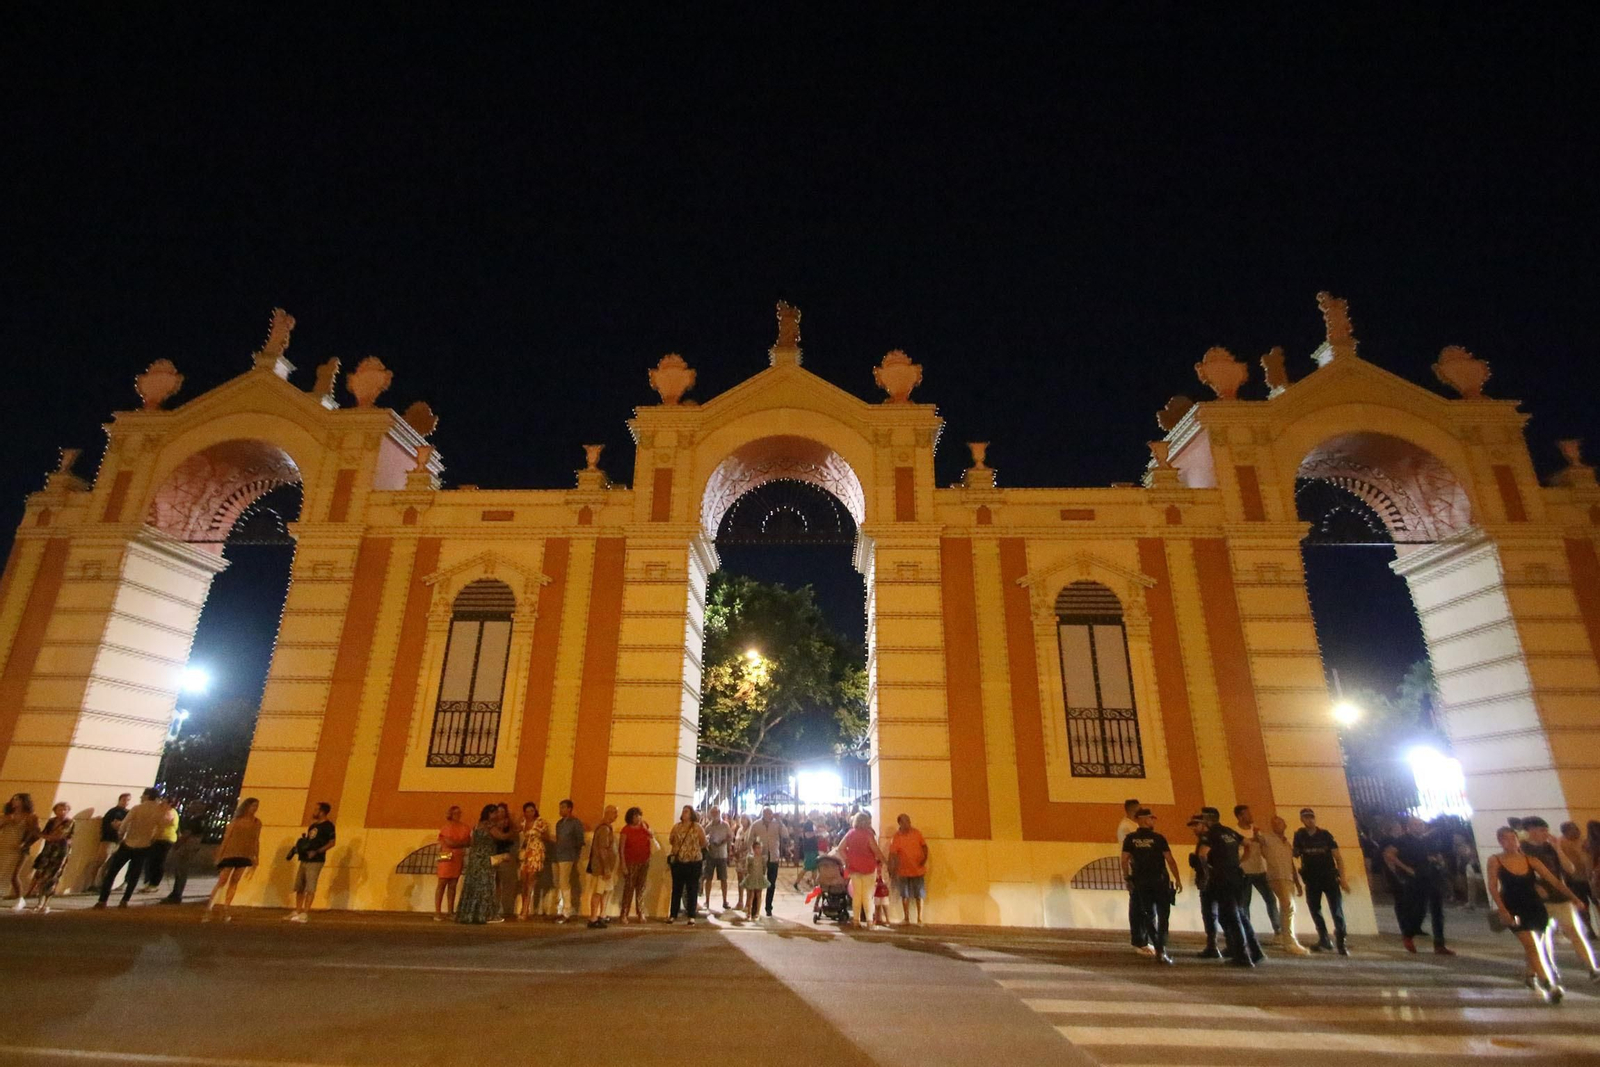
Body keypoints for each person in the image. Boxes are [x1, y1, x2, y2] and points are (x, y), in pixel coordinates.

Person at [1487, 825, 1584, 1004]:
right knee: (1532, 945)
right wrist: (1502, 910)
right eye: (1506, 839)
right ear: (1500, 841)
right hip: (1513, 906)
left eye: (1513, 838)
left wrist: (1574, 898)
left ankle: (1530, 975)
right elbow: (1493, 886)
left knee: (1536, 945)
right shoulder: (1495, 860)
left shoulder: (1530, 860)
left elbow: (1553, 880)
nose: (1511, 842)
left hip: (1535, 907)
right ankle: (1548, 984)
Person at [1521, 817, 1598, 979]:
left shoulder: (1551, 848)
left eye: (1546, 830)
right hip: (1537, 902)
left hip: (1560, 897)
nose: (1546, 834)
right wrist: (1534, 886)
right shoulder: (1522, 850)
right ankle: (1537, 971)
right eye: (1542, 830)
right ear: (1531, 831)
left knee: (1575, 933)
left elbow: (1569, 869)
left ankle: (1592, 968)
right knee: (1541, 937)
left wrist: (1558, 848)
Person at [1195, 806, 1261, 967]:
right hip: (1237, 877)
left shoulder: (1210, 835)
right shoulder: (1229, 832)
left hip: (1222, 879)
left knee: (1231, 917)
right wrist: (1238, 861)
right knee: (1240, 914)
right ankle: (1256, 951)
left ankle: (1242, 956)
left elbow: (1202, 854)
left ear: (1208, 820)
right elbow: (1248, 844)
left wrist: (1206, 872)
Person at [1385, 815, 1453, 955]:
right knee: (1418, 910)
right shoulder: (1402, 840)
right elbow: (1389, 855)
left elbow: (1433, 854)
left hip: (1432, 877)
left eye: (1421, 824)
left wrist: (1437, 860)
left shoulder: (1427, 840)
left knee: (1437, 911)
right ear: (1409, 826)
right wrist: (1405, 868)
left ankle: (1439, 944)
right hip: (1416, 879)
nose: (1419, 827)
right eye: (1416, 824)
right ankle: (1408, 934)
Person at [1121, 807, 1181, 964]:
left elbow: (1124, 860)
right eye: (1151, 818)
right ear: (1142, 820)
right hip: (1160, 881)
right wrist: (1177, 878)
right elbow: (1170, 860)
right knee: (1163, 916)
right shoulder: (1159, 838)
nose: (1153, 821)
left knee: (1148, 915)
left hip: (1141, 882)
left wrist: (1127, 878)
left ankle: (1157, 946)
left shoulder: (1130, 839)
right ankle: (1162, 948)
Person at [95, 788, 167, 909]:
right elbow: (161, 828)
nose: (141, 797)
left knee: (112, 872)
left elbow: (125, 824)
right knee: (134, 874)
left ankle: (103, 900)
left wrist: (121, 834)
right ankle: (125, 900)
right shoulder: (160, 811)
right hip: (145, 846)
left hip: (128, 843)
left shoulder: (137, 808)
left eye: (143, 795)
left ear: (147, 796)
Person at [1293, 808, 1350, 955]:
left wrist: (1343, 879)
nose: (1309, 820)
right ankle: (1324, 939)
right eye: (1306, 818)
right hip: (1311, 879)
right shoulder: (1299, 835)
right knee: (1314, 908)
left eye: (1311, 817)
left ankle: (1341, 941)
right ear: (1302, 820)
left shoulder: (1325, 835)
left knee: (1336, 910)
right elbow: (1295, 853)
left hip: (1329, 877)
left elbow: (1338, 857)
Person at [1258, 814, 1309, 955]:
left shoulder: (1286, 843)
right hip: (1276, 876)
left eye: (1279, 822)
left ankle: (1284, 936)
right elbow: (1256, 840)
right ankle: (1289, 942)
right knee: (1288, 906)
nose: (1276, 825)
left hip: (1288, 877)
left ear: (1285, 825)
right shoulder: (1267, 838)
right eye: (1274, 823)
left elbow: (1290, 863)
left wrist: (1297, 882)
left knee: (1288, 908)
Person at [205, 797, 261, 921]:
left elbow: (256, 840)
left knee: (235, 881)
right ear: (247, 807)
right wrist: (220, 854)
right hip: (230, 853)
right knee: (222, 880)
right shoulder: (236, 821)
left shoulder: (257, 822)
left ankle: (226, 908)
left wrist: (256, 856)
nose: (255, 809)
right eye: (253, 806)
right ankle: (209, 907)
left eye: (256, 806)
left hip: (245, 854)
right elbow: (227, 838)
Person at [285, 802, 335, 922]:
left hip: (316, 860)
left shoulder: (328, 826)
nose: (314, 811)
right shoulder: (312, 826)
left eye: (316, 809)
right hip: (305, 859)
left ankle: (305, 913)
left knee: (310, 887)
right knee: (300, 886)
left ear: (322, 812)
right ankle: (297, 910)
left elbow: (332, 842)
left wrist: (317, 851)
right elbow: (309, 840)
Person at [1235, 805, 1281, 936]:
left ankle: (1278, 928)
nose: (1251, 816)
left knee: (1270, 899)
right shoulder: (1235, 831)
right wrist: (1252, 839)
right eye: (1247, 814)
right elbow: (1237, 845)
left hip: (1260, 870)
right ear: (1240, 816)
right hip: (1245, 871)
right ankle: (1247, 931)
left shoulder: (1256, 829)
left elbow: (1264, 846)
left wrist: (1259, 838)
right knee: (1244, 902)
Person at [456, 804, 505, 925]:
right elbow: (501, 837)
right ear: (489, 814)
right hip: (484, 859)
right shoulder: (490, 825)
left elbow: (472, 842)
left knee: (473, 885)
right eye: (494, 813)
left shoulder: (477, 826)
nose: (497, 815)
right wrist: (513, 831)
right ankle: (486, 914)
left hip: (474, 859)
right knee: (485, 886)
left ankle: (469, 913)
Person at [22, 802, 74, 913]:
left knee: (53, 877)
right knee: (41, 875)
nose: (62, 812)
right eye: (60, 809)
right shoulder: (51, 821)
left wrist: (43, 836)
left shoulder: (69, 822)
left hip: (60, 853)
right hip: (48, 851)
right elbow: (43, 834)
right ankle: (39, 902)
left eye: (65, 809)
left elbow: (58, 835)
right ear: (55, 811)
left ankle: (46, 903)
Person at [837, 811, 887, 927]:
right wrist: (885, 861)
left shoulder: (850, 834)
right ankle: (869, 921)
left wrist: (847, 860)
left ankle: (856, 920)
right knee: (867, 895)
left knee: (857, 895)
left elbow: (840, 848)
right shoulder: (868, 835)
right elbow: (876, 851)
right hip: (868, 868)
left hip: (854, 868)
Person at [886, 813, 929, 925]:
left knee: (919, 895)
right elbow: (893, 854)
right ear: (900, 823)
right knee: (904, 895)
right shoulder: (896, 837)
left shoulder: (917, 833)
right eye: (905, 822)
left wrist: (924, 859)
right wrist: (892, 869)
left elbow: (924, 847)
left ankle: (920, 918)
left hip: (918, 870)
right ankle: (906, 918)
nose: (908, 824)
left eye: (908, 821)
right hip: (903, 871)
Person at [668, 804, 707, 925]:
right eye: (683, 811)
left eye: (687, 812)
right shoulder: (677, 827)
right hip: (679, 862)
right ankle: (673, 914)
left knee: (692, 888)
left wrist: (692, 850)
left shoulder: (697, 827)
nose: (684, 813)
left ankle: (691, 915)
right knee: (677, 889)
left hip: (693, 862)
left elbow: (703, 842)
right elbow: (671, 840)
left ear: (691, 814)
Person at [1187, 814, 1220, 958]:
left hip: (1211, 882)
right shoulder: (1211, 837)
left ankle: (1212, 946)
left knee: (1210, 914)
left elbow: (1203, 856)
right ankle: (1217, 945)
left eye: (1196, 825)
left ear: (1204, 824)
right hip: (1217, 880)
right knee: (1216, 914)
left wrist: (1205, 874)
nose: (1194, 828)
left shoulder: (1206, 838)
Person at [1115, 799, 1146, 952]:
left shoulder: (1132, 825)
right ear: (1132, 810)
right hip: (1135, 869)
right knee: (1137, 905)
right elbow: (1128, 852)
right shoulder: (1127, 827)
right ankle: (1138, 940)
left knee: (1142, 905)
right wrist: (1128, 873)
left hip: (1140, 869)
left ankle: (1143, 939)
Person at [83, 792, 130, 892]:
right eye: (124, 800)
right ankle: (92, 883)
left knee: (109, 864)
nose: (126, 802)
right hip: (109, 839)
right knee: (101, 861)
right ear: (120, 800)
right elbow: (111, 825)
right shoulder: (113, 812)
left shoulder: (127, 812)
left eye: (128, 800)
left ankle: (102, 884)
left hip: (119, 841)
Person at [617, 806, 655, 924]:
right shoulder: (626, 830)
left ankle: (641, 913)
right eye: (635, 816)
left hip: (644, 861)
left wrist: (646, 829)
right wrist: (623, 863)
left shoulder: (644, 826)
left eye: (639, 815)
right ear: (630, 818)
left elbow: (652, 837)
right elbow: (621, 848)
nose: (637, 818)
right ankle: (624, 913)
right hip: (631, 862)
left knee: (641, 888)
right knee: (629, 888)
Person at [549, 799, 584, 922]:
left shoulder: (575, 823)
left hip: (567, 856)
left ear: (569, 808)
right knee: (557, 882)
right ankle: (559, 909)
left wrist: (575, 856)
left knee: (564, 882)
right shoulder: (559, 823)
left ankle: (567, 911)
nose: (561, 810)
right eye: (560, 807)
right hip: (557, 856)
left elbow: (580, 841)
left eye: (563, 807)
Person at [435, 805, 472, 920]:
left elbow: (468, 841)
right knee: (442, 883)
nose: (458, 815)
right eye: (455, 813)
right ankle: (438, 912)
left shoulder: (465, 827)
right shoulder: (445, 827)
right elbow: (449, 842)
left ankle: (450, 911)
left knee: (453, 885)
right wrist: (460, 843)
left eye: (459, 813)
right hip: (446, 856)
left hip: (457, 857)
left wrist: (458, 843)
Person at [1558, 821, 1594, 937]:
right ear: (1565, 833)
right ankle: (1590, 929)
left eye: (1576, 828)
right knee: (1582, 906)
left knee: (1596, 902)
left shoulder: (1585, 840)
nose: (1577, 831)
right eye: (1572, 830)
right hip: (1575, 880)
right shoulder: (1561, 843)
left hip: (1591, 878)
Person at [585, 804, 619, 929]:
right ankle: (593, 917)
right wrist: (606, 868)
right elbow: (602, 849)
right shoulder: (604, 829)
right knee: (598, 892)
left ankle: (602, 914)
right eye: (615, 813)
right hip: (601, 868)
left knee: (605, 891)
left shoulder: (607, 828)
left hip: (605, 868)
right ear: (608, 813)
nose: (616, 816)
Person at [3, 793, 41, 901]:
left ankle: (20, 898)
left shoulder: (31, 816)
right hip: (4, 845)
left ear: (24, 802)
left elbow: (36, 833)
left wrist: (25, 843)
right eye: (13, 799)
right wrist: (5, 820)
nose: (15, 801)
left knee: (13, 875)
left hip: (18, 848)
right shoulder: (7, 815)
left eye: (18, 799)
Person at [138, 797, 179, 894]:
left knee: (159, 861)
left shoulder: (170, 812)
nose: (161, 803)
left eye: (164, 802)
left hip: (165, 839)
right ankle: (151, 883)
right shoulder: (164, 811)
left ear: (169, 804)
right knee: (153, 861)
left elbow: (164, 821)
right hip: (158, 838)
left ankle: (154, 884)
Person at [747, 807, 782, 917]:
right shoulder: (756, 824)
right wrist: (752, 853)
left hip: (773, 857)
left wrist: (780, 821)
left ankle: (768, 907)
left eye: (770, 813)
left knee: (771, 882)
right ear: (763, 814)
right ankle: (754, 910)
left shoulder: (777, 824)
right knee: (756, 882)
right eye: (767, 813)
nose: (769, 815)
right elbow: (750, 839)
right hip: (760, 857)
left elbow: (785, 834)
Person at [517, 802, 549, 921]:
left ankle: (525, 909)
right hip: (525, 852)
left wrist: (538, 835)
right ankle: (523, 907)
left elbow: (547, 836)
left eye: (532, 810)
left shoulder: (540, 822)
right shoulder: (523, 823)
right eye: (527, 811)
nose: (530, 813)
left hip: (535, 852)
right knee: (523, 880)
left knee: (531, 880)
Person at [160, 819, 203, 905]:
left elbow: (187, 834)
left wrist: (177, 844)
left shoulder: (196, 820)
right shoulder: (200, 820)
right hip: (191, 846)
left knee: (181, 871)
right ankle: (176, 893)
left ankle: (177, 894)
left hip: (187, 847)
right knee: (181, 871)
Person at [702, 806, 733, 911]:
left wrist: (723, 843)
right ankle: (707, 901)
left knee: (723, 879)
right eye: (713, 812)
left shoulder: (725, 825)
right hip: (711, 855)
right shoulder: (708, 826)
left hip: (722, 854)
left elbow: (730, 837)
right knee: (708, 878)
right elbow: (703, 839)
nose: (714, 814)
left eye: (716, 812)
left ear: (719, 813)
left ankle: (725, 900)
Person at [740, 834, 769, 917]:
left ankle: (757, 912)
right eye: (757, 848)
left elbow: (764, 869)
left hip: (759, 877)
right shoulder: (750, 858)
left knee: (758, 894)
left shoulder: (763, 859)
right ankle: (749, 911)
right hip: (752, 877)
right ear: (753, 849)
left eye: (760, 848)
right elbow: (748, 867)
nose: (758, 850)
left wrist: (762, 875)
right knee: (751, 895)